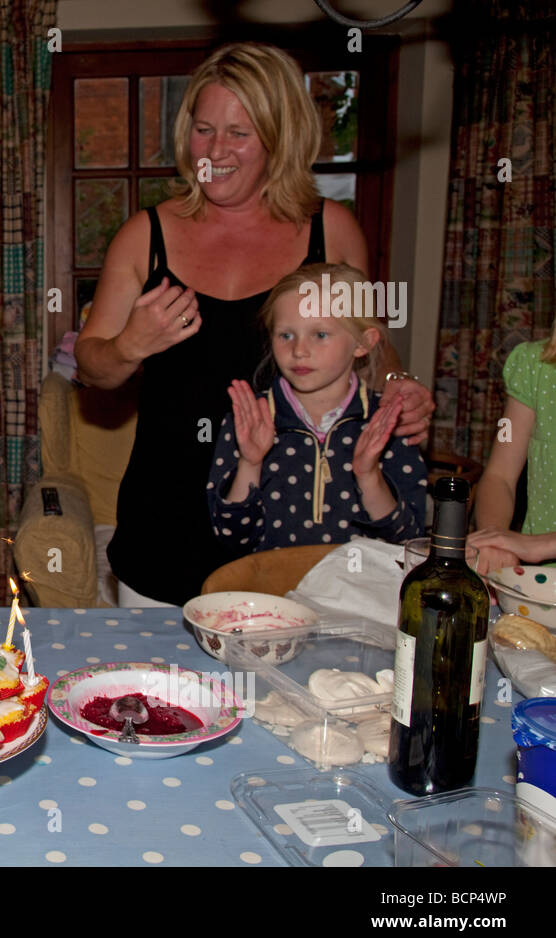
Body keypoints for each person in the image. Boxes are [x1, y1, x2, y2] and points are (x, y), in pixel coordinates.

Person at [74, 42, 433, 606]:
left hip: (297, 535)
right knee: (154, 694)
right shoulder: (146, 234)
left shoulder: (331, 231)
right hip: (166, 526)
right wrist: (127, 347)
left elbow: (371, 351)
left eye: (239, 134)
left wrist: (398, 390)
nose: (214, 150)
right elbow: (91, 367)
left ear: (279, 138)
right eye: (203, 129)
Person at [208, 263, 426, 552]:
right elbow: (230, 536)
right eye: (286, 335)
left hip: (358, 594)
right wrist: (250, 463)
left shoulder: (389, 423)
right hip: (271, 592)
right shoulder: (251, 420)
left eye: (320, 334)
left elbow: (409, 542)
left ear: (363, 342)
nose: (299, 350)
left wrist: (369, 476)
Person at [468, 327, 556, 572]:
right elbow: (499, 476)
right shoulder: (534, 364)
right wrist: (495, 541)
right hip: (541, 584)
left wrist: (546, 545)